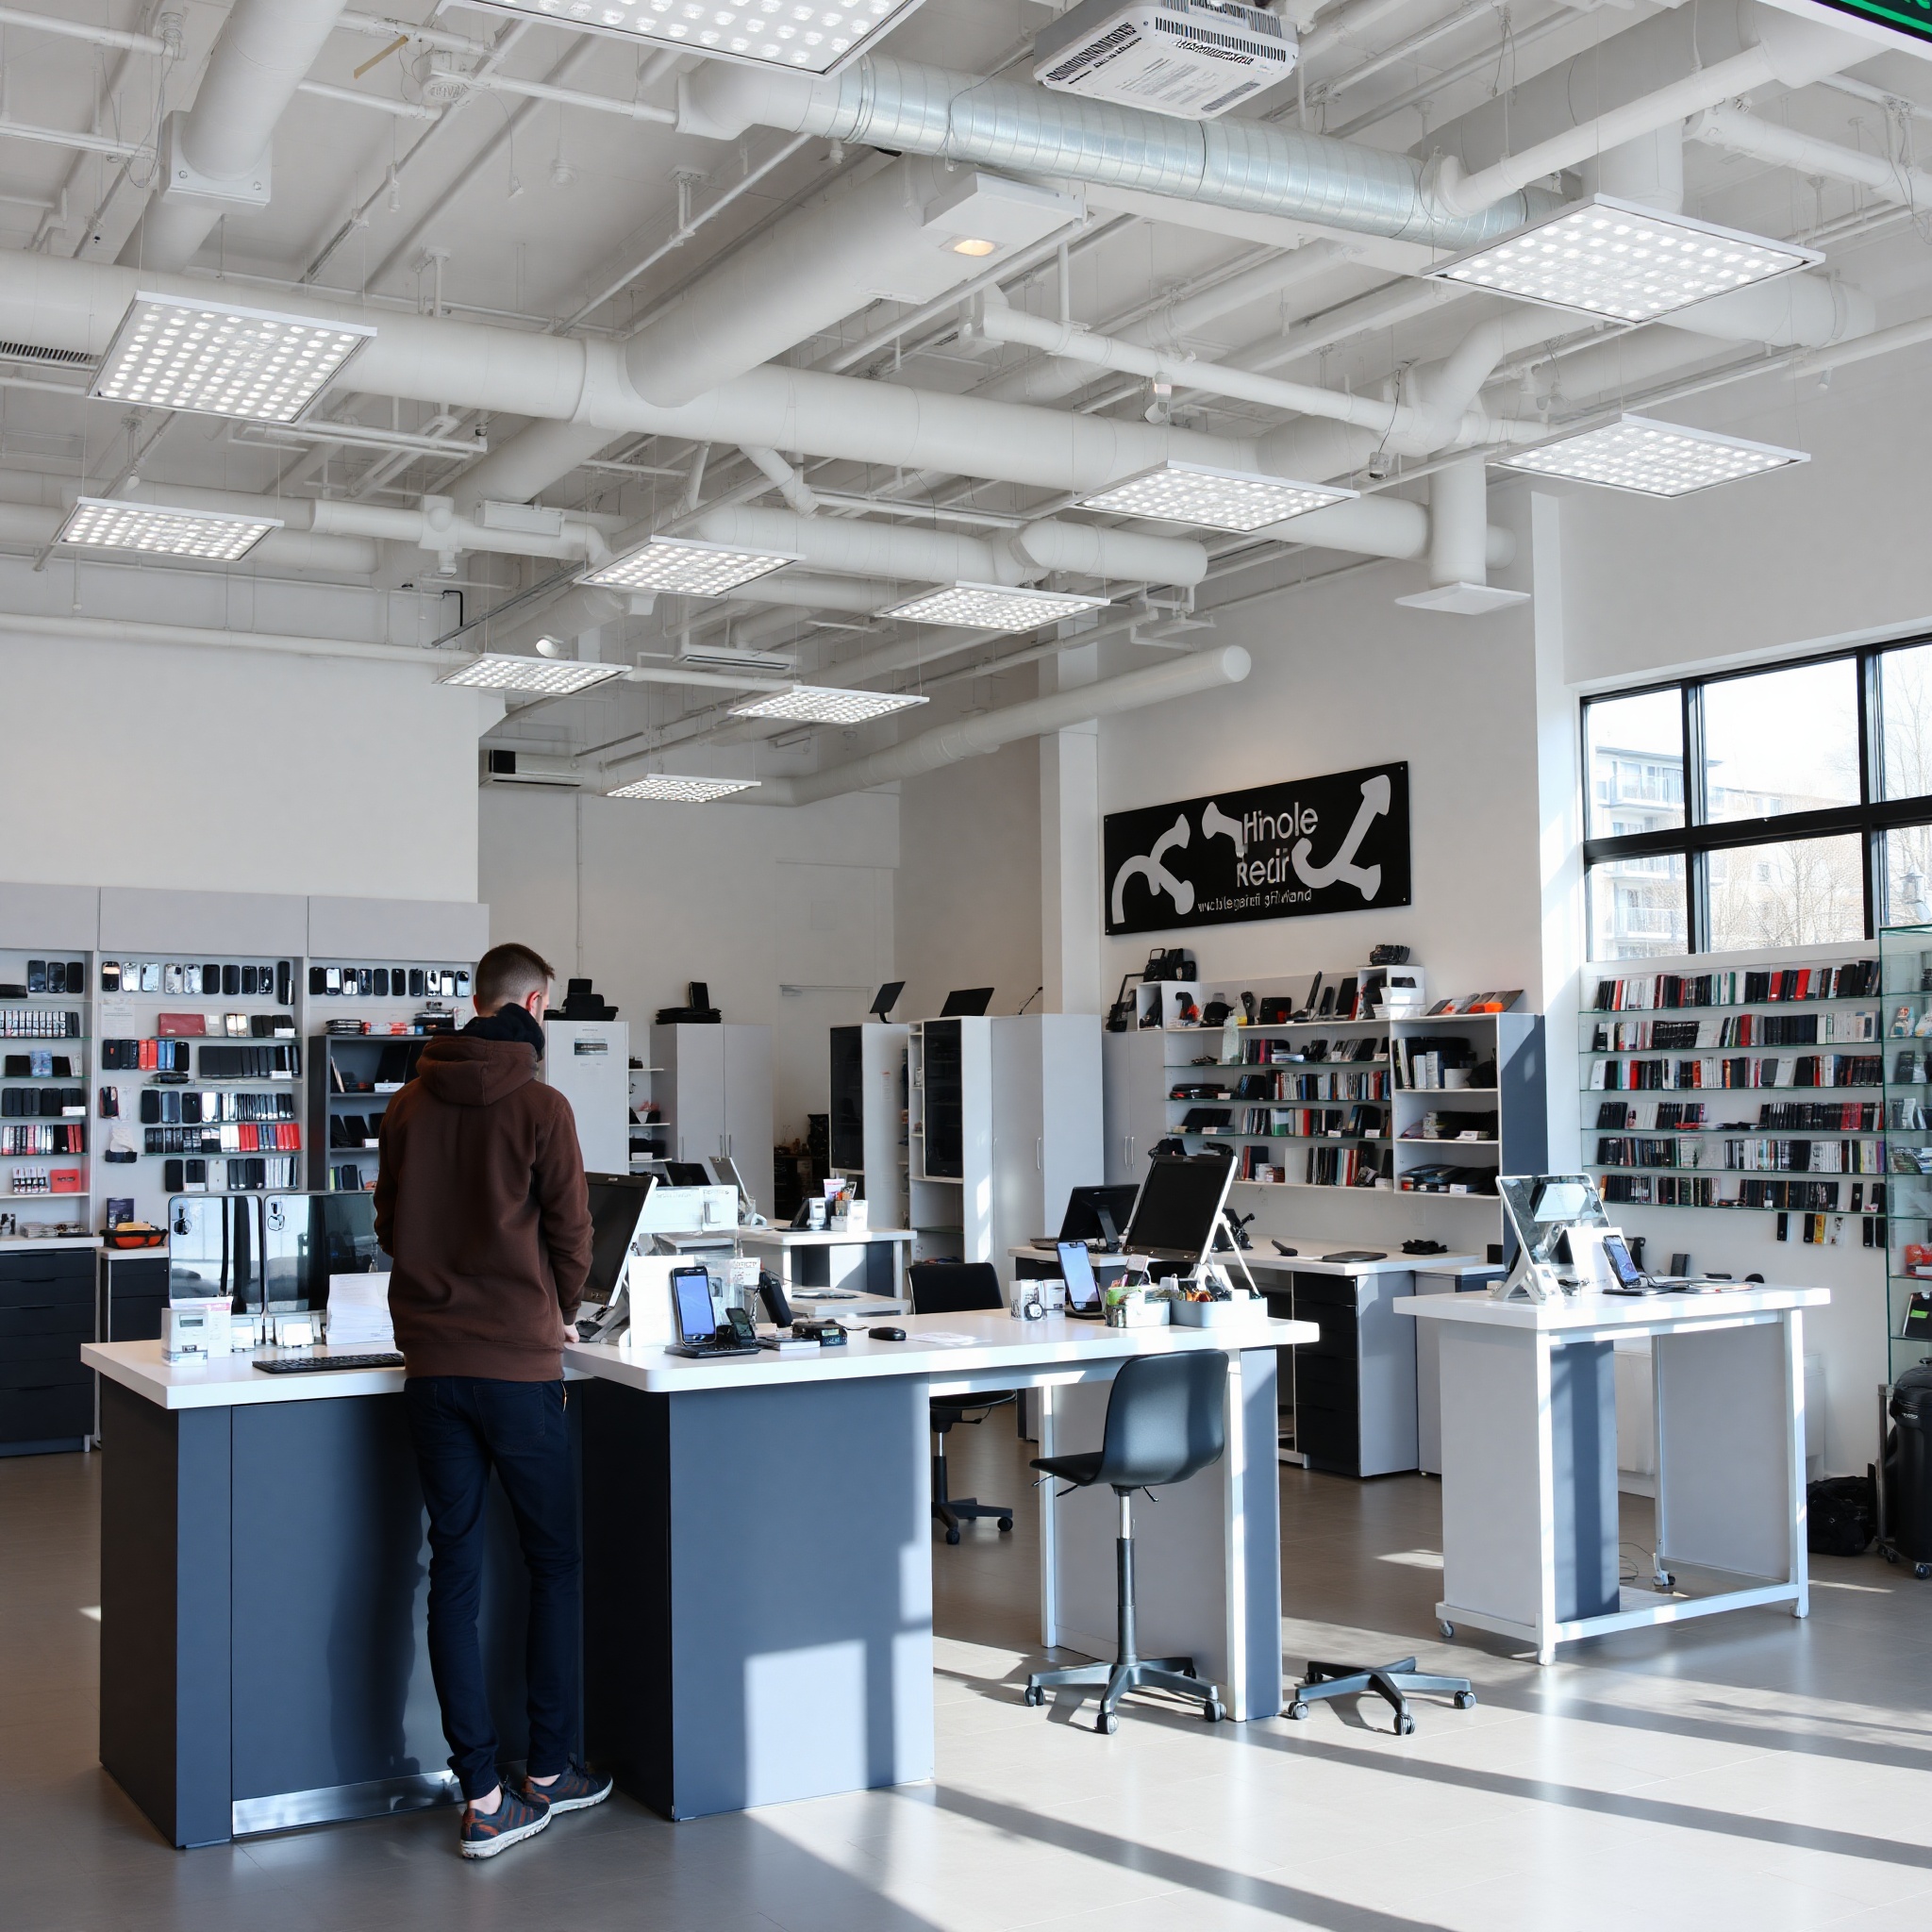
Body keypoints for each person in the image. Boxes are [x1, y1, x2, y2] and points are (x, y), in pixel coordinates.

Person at [375, 941, 611, 1858]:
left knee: (453, 1569)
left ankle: (479, 1791)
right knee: (553, 1562)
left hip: (432, 1370)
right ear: (536, 1002)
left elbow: (391, 1223)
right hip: (519, 1370)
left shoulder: (406, 1102)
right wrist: (553, 1312)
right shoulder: (542, 1104)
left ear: (474, 1000)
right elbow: (573, 1229)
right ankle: (547, 1771)